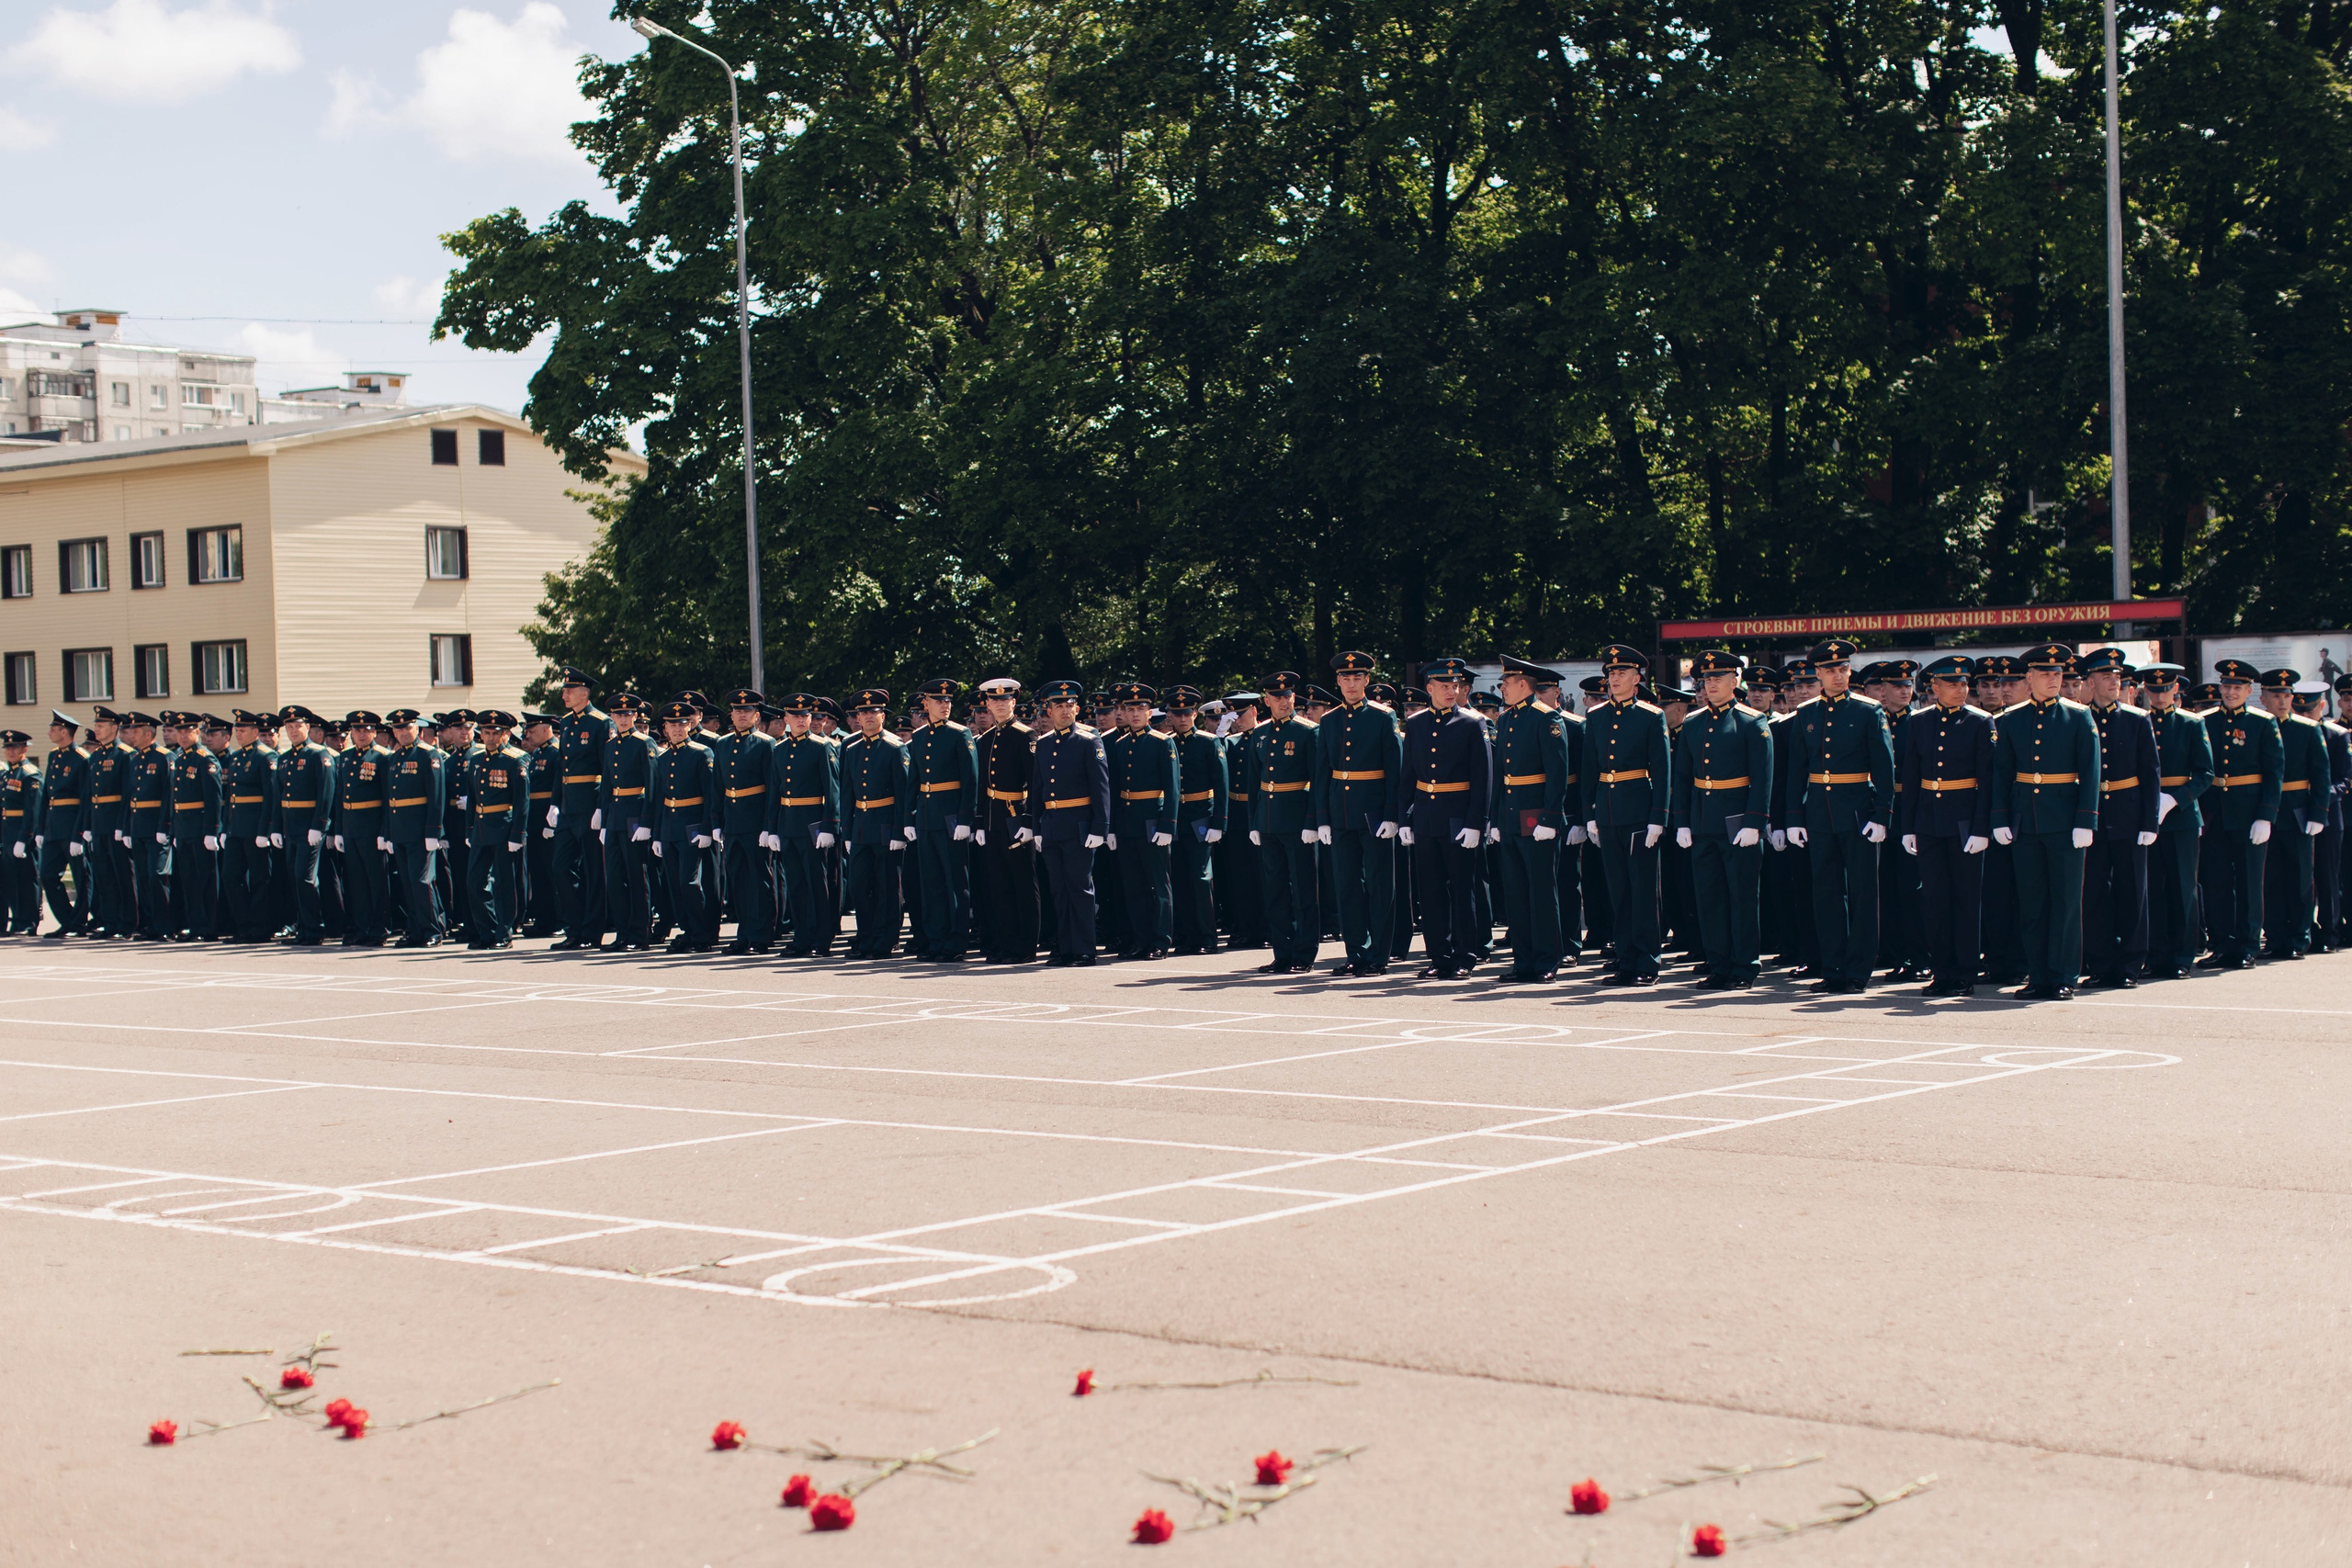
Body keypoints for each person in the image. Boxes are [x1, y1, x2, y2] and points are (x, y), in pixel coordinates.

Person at [1990, 643, 2102, 999]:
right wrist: (2000, 817)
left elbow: (2091, 770)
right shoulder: (2010, 718)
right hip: (2026, 821)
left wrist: (2086, 819)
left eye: (2058, 674)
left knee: (2066, 903)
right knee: (2032, 903)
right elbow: (2002, 773)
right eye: (2046, 674)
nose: (2054, 680)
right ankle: (2038, 974)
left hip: (2066, 821)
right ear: (2030, 678)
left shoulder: (2079, 715)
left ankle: (2064, 975)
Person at [1783, 638, 1894, 994]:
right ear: (1818, 673)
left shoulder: (1869, 710)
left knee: (1863, 893)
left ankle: (1858, 970)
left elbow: (1884, 768)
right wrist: (1795, 818)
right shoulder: (1807, 713)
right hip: (1819, 812)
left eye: (1843, 668)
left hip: (1859, 811)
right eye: (1830, 669)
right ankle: (1832, 967)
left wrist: (1882, 815)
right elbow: (1796, 771)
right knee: (1827, 893)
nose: (1838, 675)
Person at [1672, 649, 1770, 989]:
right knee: (1710, 897)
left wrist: (1754, 822)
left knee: (1741, 897)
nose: (1711, 684)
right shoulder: (1694, 722)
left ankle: (1744, 966)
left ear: (1735, 681)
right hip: (1703, 820)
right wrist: (1682, 821)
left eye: (1718, 678)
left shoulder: (1751, 721)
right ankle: (1718, 963)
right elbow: (1682, 776)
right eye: (1706, 679)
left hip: (1738, 820)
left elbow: (1763, 777)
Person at [1897, 655, 1995, 995]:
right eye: (1952, 684)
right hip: (1929, 821)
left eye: (1964, 683)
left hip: (1965, 821)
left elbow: (1988, 781)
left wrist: (1982, 828)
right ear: (1934, 687)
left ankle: (1965, 971)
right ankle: (1941, 970)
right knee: (1935, 899)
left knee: (1966, 899)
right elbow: (1911, 777)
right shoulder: (1919, 722)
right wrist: (1908, 826)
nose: (1960, 689)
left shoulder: (1980, 722)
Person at [1399, 657, 1493, 979]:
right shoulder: (1416, 724)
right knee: (1431, 891)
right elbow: (1408, 775)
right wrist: (1404, 819)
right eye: (1444, 685)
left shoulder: (1472, 723)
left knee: (1462, 889)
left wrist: (1476, 822)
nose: (1451, 690)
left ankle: (1465, 955)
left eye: (1454, 685)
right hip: (1426, 818)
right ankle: (1438, 955)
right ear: (1429, 688)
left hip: (1458, 818)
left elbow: (1483, 777)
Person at [1581, 647, 1669, 985]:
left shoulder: (1650, 716)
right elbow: (1590, 768)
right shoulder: (1597, 716)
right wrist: (1590, 812)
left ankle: (1647, 960)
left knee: (1643, 890)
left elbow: (1661, 770)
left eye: (1621, 674)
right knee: (1618, 889)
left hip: (1638, 811)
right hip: (1608, 810)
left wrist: (1657, 817)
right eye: (1611, 674)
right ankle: (1625, 957)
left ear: (1637, 680)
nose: (1614, 678)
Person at [1316, 652, 1402, 976]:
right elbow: (1323, 771)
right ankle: (1356, 952)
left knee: (1380, 885)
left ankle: (1379, 955)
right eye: (1345, 679)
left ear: (1367, 681)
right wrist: (1322, 817)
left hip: (1375, 811)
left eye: (1357, 678)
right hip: (1341, 812)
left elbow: (1395, 769)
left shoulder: (1383, 717)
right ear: (1337, 682)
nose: (1351, 684)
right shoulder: (1329, 720)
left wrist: (1393, 815)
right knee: (1347, 885)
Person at [2077, 649, 2159, 987]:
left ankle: (2130, 966)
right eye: (2107, 677)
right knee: (2094, 893)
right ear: (2092, 681)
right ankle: (2099, 964)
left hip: (2128, 813)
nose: (2115, 682)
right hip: (2093, 815)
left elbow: (2151, 773)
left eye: (2118, 677)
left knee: (2132, 893)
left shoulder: (2138, 719)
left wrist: (2149, 822)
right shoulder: (2081, 718)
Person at [1491, 655, 1575, 984]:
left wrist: (1550, 817)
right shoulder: (1506, 719)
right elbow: (1501, 774)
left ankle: (1545, 961)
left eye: (1506, 683)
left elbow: (1558, 773)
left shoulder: (1547, 717)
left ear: (1523, 684)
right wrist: (1496, 819)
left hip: (1536, 817)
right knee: (1516, 893)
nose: (1502, 688)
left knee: (1541, 892)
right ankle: (1523, 961)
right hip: (1511, 818)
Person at [2196, 660, 2282, 968]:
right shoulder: (2204, 721)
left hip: (2249, 814)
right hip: (2214, 814)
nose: (2231, 692)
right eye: (2226, 686)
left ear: (2249, 690)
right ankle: (2221, 944)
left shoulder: (2263, 722)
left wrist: (2266, 816)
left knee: (2248, 881)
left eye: (2237, 687)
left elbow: (2274, 773)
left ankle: (2247, 945)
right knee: (2217, 881)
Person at [2134, 666, 2212, 978]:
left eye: (2165, 689)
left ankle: (2182, 955)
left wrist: (2176, 799)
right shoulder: (2140, 722)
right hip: (2147, 815)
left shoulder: (2192, 723)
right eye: (2153, 690)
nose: (2160, 695)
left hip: (2180, 816)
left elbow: (2205, 773)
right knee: (2152, 887)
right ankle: (2156, 954)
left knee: (2183, 887)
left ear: (2176, 688)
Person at [1029, 678, 1109, 965]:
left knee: (1080, 888)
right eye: (1058, 705)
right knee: (1059, 889)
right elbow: (1038, 790)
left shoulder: (1089, 740)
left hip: (1079, 824)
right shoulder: (1045, 743)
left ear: (1077, 709)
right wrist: (1037, 828)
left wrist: (1100, 827)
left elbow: (1100, 787)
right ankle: (1066, 947)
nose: (1065, 710)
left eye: (1070, 705)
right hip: (1051, 825)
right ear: (1048, 711)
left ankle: (1085, 948)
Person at [1252, 671, 1322, 974]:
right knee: (1276, 890)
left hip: (1297, 820)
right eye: (1277, 697)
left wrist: (1312, 821)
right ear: (1266, 701)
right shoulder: (1260, 733)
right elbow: (1254, 782)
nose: (1283, 701)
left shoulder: (1308, 732)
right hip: (1268, 821)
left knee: (1303, 889)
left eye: (1288, 696)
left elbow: (1317, 780)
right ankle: (1282, 951)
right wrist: (1254, 823)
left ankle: (1304, 953)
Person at [905, 677, 978, 962]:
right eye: (939, 701)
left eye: (948, 700)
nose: (945, 705)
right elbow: (914, 781)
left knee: (955, 882)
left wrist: (965, 819)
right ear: (926, 704)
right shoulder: (919, 737)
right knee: (931, 882)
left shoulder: (960, 734)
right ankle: (936, 940)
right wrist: (908, 818)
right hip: (925, 817)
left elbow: (970, 780)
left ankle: (956, 941)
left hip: (950, 817)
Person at [2260, 669, 2330, 958]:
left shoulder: (2307, 729)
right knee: (2271, 877)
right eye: (2276, 695)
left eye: (2287, 695)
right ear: (2263, 698)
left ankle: (2299, 938)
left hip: (2297, 809)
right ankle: (2275, 937)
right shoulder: (2258, 726)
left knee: (2300, 877)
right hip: (2265, 812)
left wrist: (2318, 812)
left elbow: (2321, 774)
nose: (2282, 700)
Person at [838, 689, 910, 959]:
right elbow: (847, 792)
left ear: (883, 715)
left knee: (887, 885)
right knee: (859, 884)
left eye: (874, 711)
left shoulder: (894, 747)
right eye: (863, 712)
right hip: (861, 826)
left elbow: (903, 792)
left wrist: (900, 830)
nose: (868, 716)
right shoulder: (852, 748)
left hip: (886, 824)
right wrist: (847, 830)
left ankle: (885, 939)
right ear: (857, 717)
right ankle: (865, 936)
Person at [968, 678, 1036, 963]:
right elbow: (982, 784)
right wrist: (980, 821)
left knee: (1022, 883)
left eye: (1005, 699)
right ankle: (1004, 943)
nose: (999, 704)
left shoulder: (1025, 735)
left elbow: (1036, 782)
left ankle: (1026, 946)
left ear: (1014, 702)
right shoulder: (985, 739)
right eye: (994, 700)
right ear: (986, 704)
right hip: (994, 819)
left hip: (1015, 816)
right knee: (998, 885)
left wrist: (1030, 821)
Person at [644, 699, 719, 952]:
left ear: (690, 725)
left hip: (693, 826)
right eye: (672, 724)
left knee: (690, 882)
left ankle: (701, 933)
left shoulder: (701, 753)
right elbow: (659, 800)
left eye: (682, 723)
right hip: (670, 828)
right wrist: (657, 835)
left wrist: (708, 829)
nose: (677, 729)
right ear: (664, 728)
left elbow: (711, 795)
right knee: (675, 883)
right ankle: (688, 931)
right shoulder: (664, 758)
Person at [712, 688, 779, 955]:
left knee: (759, 880)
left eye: (747, 710)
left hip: (756, 820)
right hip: (733, 822)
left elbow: (773, 789)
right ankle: (744, 933)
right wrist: (716, 821)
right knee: (738, 881)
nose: (742, 714)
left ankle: (761, 935)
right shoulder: (723, 744)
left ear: (756, 715)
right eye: (738, 710)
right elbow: (718, 786)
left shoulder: (765, 744)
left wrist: (768, 826)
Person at [548, 668, 611, 951]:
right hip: (569, 807)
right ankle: (573, 928)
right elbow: (562, 766)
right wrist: (554, 802)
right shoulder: (565, 722)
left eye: (569, 690)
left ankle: (592, 930)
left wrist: (602, 806)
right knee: (561, 867)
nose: (564, 694)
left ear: (584, 694)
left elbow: (608, 769)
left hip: (589, 803)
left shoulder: (601, 722)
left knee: (593, 871)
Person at [1167, 686, 1227, 957]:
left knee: (1201, 878)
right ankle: (1187, 936)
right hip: (1176, 818)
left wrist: (1219, 823)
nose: (1183, 719)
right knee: (1179, 878)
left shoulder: (1208, 742)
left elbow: (1221, 785)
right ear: (1169, 715)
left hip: (1201, 815)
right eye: (1177, 714)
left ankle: (1207, 937)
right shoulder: (1166, 742)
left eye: (1187, 713)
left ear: (1195, 714)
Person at [461, 711, 530, 949]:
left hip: (504, 826)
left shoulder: (514, 760)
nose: (490, 738)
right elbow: (472, 798)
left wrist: (518, 833)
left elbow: (522, 801)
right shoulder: (476, 760)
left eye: (495, 733)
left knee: (504, 883)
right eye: (486, 733)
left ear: (506, 734)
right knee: (474, 882)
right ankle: (487, 930)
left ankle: (504, 932)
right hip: (481, 827)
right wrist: (470, 828)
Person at [383, 709, 449, 947]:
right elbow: (390, 799)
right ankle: (415, 929)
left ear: (417, 729)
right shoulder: (394, 757)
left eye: (407, 727)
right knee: (408, 882)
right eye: (398, 728)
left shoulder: (428, 755)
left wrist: (433, 831)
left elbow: (436, 796)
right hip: (400, 829)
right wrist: (388, 833)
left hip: (421, 831)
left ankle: (433, 929)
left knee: (423, 881)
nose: (403, 732)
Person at [272, 705, 336, 946]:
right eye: (289, 727)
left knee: (305, 878)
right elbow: (280, 796)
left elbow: (326, 793)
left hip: (310, 827)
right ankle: (304, 928)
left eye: (298, 726)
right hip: (291, 827)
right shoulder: (285, 758)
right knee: (294, 879)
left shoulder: (318, 755)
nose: (293, 731)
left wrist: (319, 825)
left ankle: (315, 928)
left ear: (307, 727)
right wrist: (276, 827)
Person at [334, 711, 391, 947]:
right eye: (356, 730)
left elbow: (389, 797)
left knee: (376, 881)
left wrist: (384, 831)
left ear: (374, 733)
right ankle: (360, 927)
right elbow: (339, 796)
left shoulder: (382, 757)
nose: (361, 734)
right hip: (350, 825)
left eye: (366, 730)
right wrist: (338, 829)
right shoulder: (345, 757)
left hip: (372, 825)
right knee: (356, 881)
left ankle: (379, 929)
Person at [1216, 693, 1265, 951]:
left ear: (1255, 712)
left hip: (1257, 809)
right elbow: (1216, 762)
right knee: (1241, 877)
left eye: (1242, 714)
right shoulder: (1230, 742)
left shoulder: (1265, 737)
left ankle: (1267, 928)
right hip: (1236, 813)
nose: (1238, 721)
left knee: (1263, 875)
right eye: (1233, 716)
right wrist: (1221, 735)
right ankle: (1247, 929)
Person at [36, 709, 90, 937]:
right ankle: (68, 921)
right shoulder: (54, 756)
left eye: (53, 729)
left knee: (81, 878)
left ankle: (79, 922)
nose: (49, 732)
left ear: (65, 731)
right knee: (48, 875)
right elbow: (47, 795)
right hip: (53, 827)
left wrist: (78, 834)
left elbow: (85, 800)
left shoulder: (81, 759)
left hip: (71, 826)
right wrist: (40, 829)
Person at [123, 713, 174, 941]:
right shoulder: (135, 759)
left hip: (156, 827)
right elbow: (130, 796)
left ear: (148, 733)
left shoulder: (164, 757)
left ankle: (164, 925)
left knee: (156, 876)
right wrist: (126, 828)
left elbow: (168, 795)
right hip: (138, 826)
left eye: (135, 731)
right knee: (142, 877)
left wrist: (165, 826)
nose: (131, 735)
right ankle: (148, 924)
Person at [2, 728, 41, 934]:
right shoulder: (8, 774)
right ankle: (17, 920)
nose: (10, 751)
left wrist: (24, 837)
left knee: (27, 880)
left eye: (14, 747)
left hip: (21, 835)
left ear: (24, 749)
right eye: (7, 747)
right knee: (11, 880)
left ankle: (28, 922)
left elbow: (32, 810)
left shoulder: (30, 774)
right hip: (7, 835)